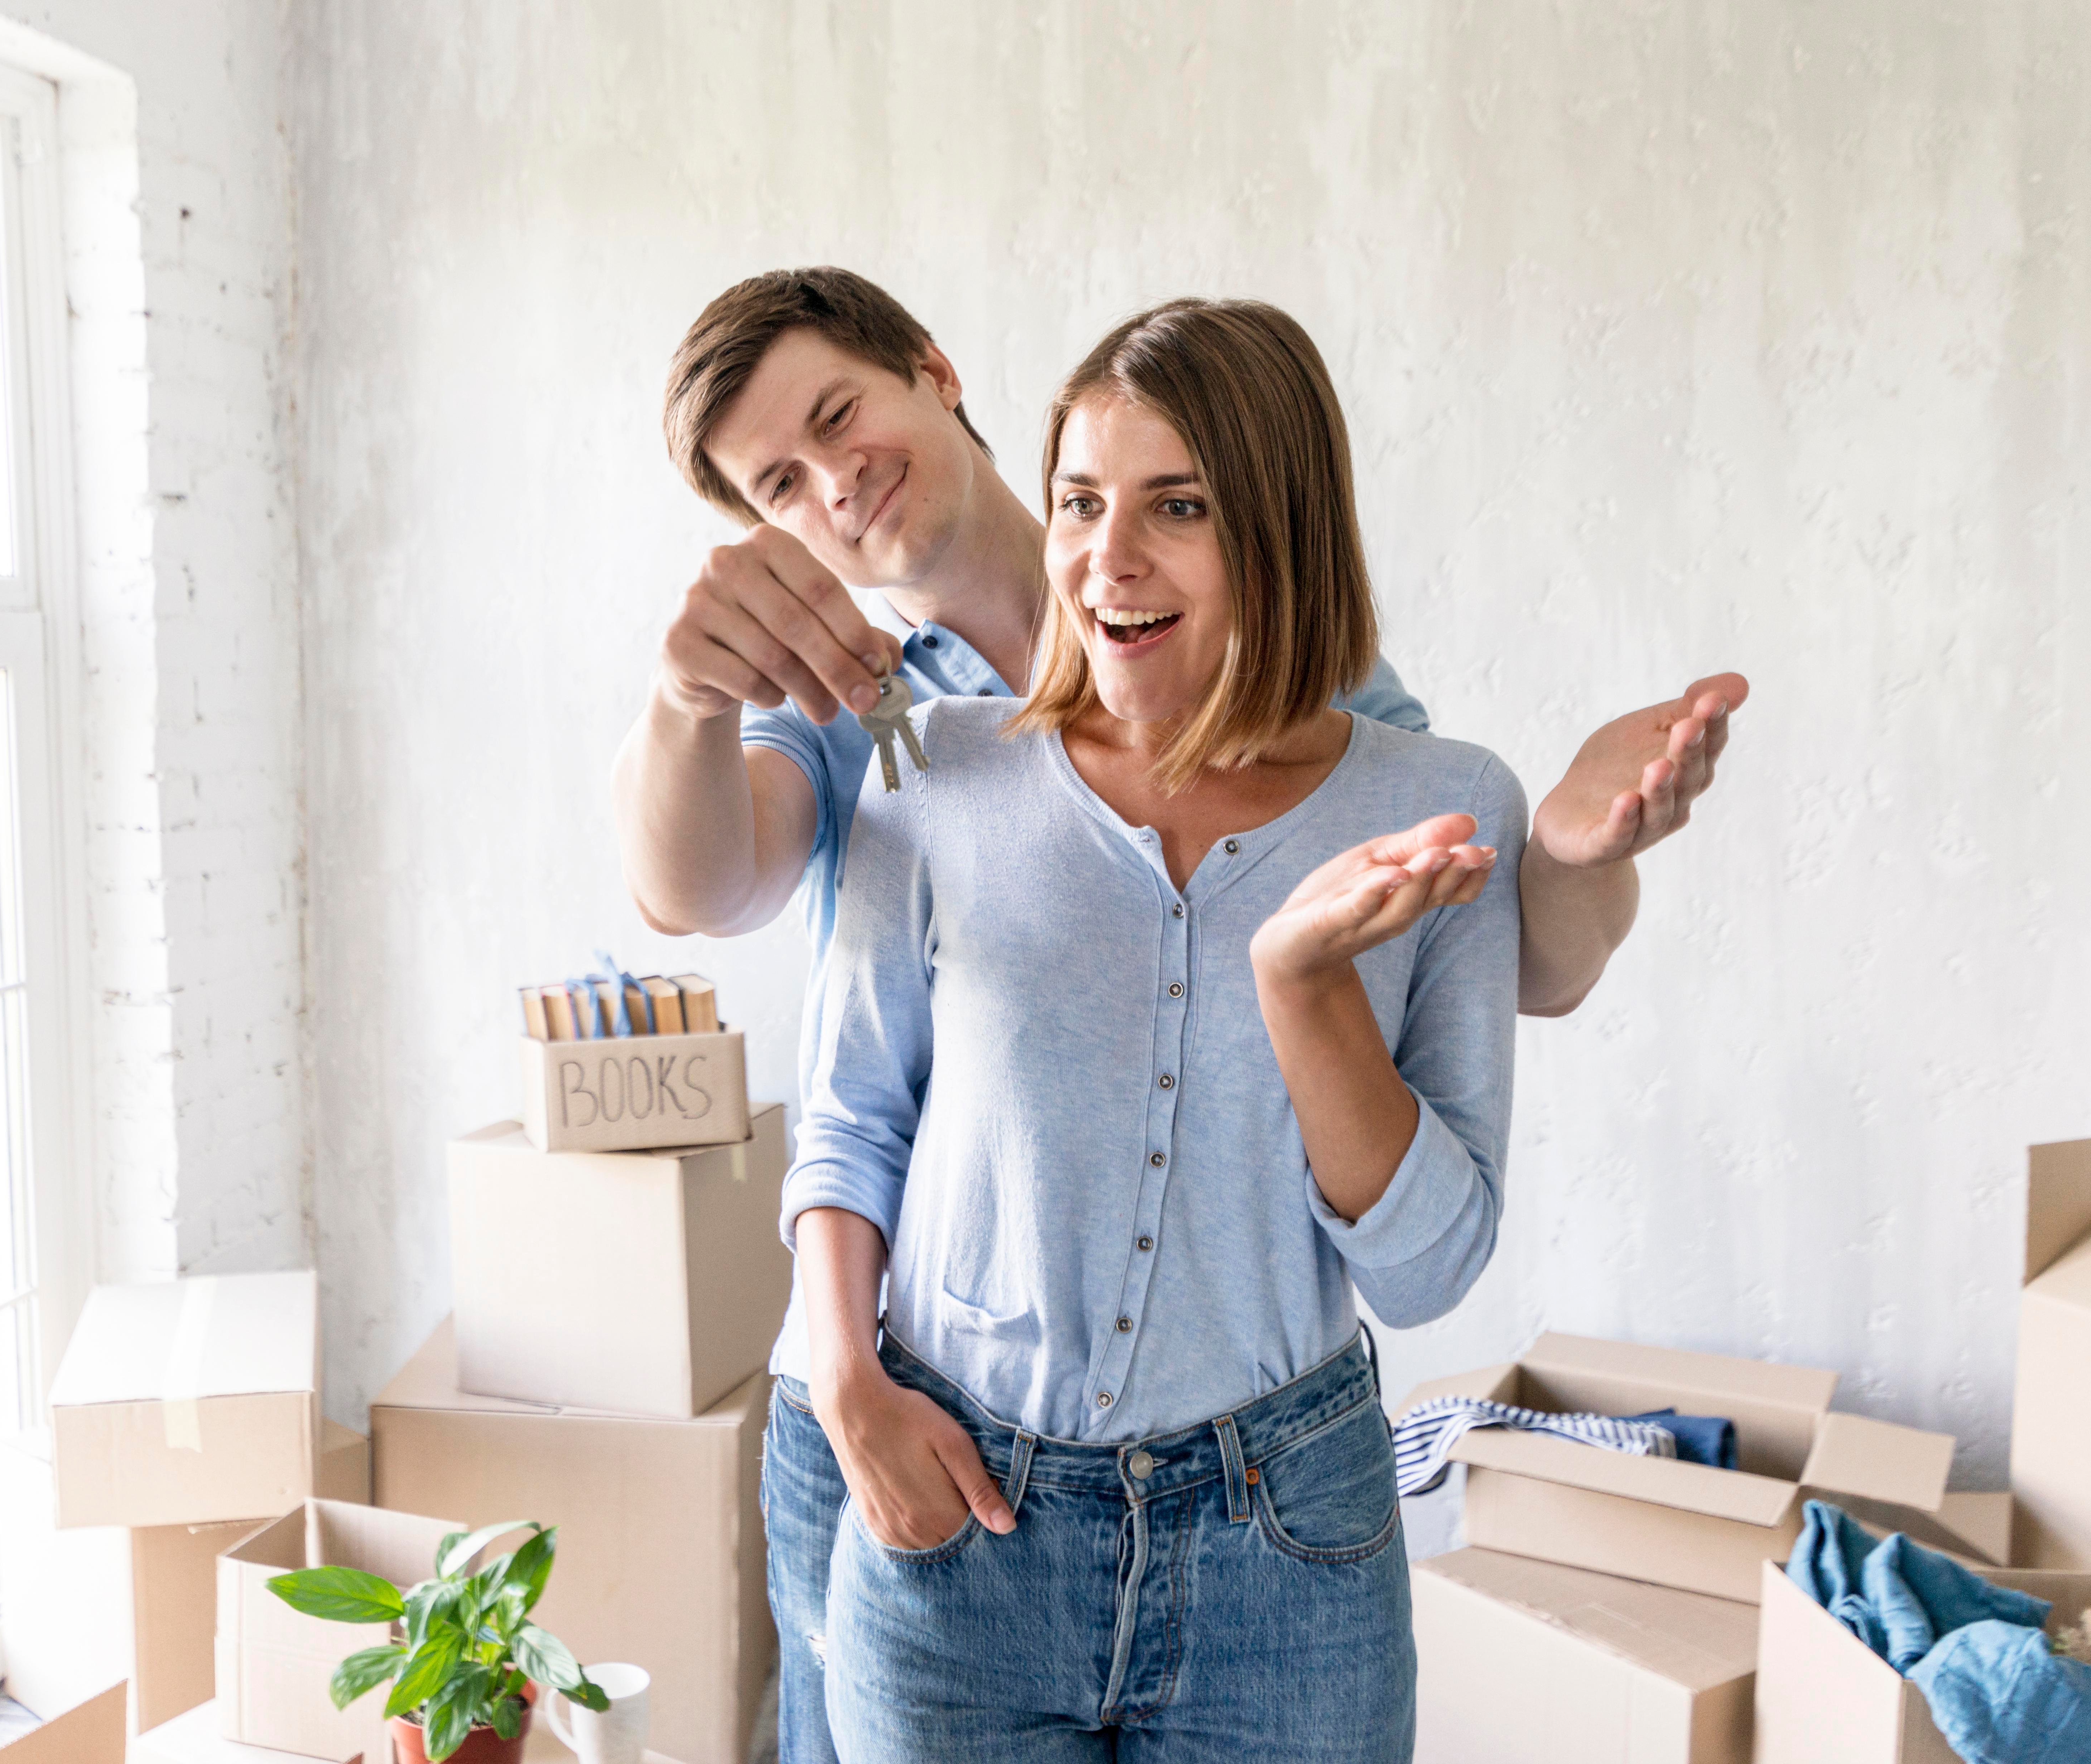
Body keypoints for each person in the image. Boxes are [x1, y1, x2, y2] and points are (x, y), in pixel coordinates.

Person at [610, 268, 1743, 1762]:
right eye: (781, 482)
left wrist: (1567, 858)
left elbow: (1468, 940)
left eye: (839, 415)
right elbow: (712, 904)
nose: (836, 482)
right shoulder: (876, 721)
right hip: (898, 1406)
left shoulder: (1347, 712)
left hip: (1269, 1492)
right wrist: (685, 696)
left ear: (932, 375)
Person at [793, 297, 1511, 1759]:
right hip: (957, 1535)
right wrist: (843, 1380)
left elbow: (1431, 1266)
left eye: (1176, 506)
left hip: (1288, 1559)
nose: (1105, 559)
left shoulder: (1440, 810)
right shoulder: (931, 775)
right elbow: (851, 1117)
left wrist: (1305, 990)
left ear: (1282, 524)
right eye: (1077, 502)